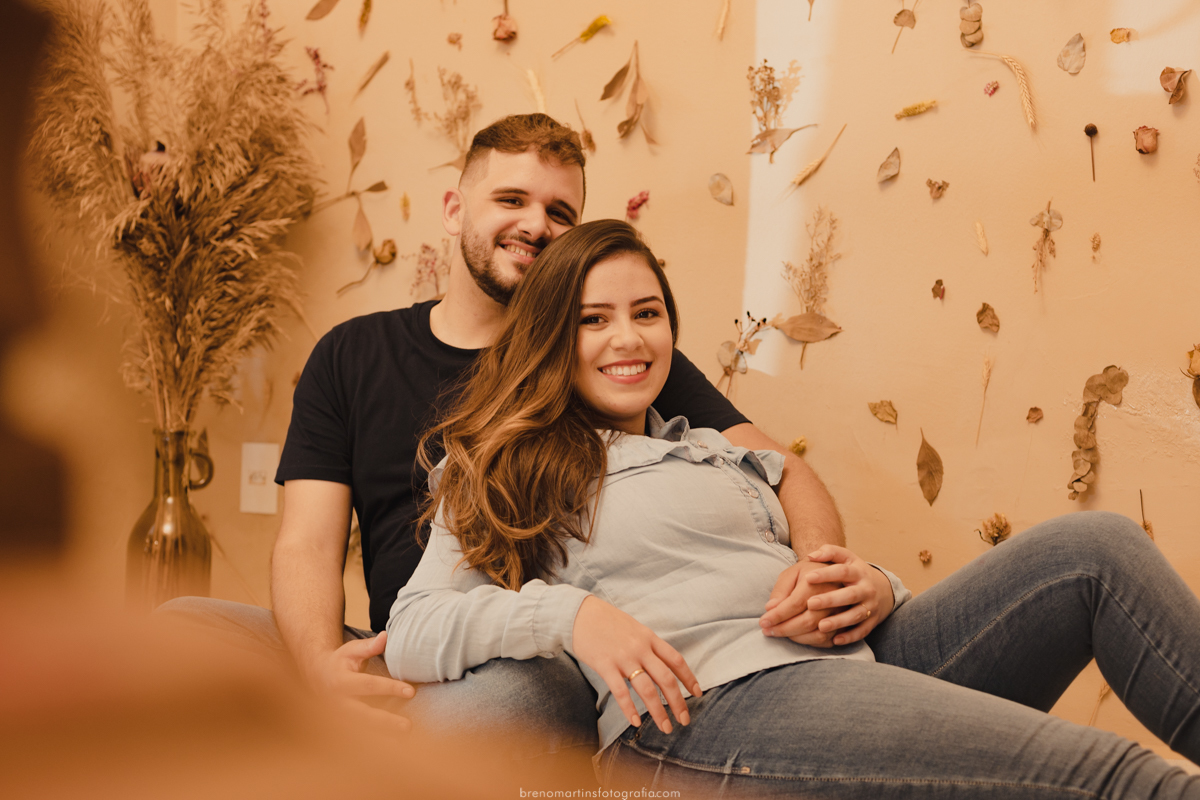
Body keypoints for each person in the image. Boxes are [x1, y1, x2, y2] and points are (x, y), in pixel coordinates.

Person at [387, 218, 1200, 797]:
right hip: (707, 705)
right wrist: (568, 617)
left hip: (851, 658)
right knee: (1118, 779)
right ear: (551, 339)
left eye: (646, 314)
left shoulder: (708, 446)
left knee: (1095, 550)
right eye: (592, 321)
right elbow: (415, 627)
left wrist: (874, 584)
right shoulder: (507, 464)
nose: (627, 339)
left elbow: (787, 567)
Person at [163, 114, 886, 756]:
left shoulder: (616, 354)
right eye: (512, 200)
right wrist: (324, 670)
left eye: (560, 211)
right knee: (182, 629)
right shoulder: (354, 353)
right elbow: (307, 544)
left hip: (550, 654)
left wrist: (817, 571)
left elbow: (777, 468)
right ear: (453, 209)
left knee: (521, 692)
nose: (537, 225)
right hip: (405, 638)